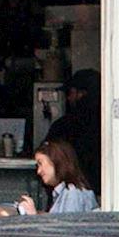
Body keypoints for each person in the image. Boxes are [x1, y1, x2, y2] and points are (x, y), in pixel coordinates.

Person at [45, 68, 103, 198]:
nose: (68, 98)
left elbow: (47, 156)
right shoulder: (113, 126)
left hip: (72, 195)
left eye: (70, 93)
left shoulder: (64, 126)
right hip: (106, 194)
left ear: (80, 94)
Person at [18, 139, 97, 215]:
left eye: (40, 163)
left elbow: (68, 224)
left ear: (56, 161)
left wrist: (33, 216)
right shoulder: (64, 193)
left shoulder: (73, 194)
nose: (38, 171)